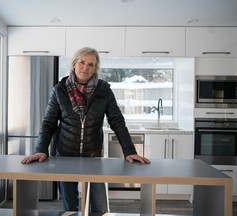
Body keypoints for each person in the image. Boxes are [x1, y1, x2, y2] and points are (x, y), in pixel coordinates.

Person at [21, 47, 151, 213]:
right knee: (71, 209)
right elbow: (49, 123)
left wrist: (129, 150)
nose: (85, 67)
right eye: (82, 62)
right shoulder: (60, 90)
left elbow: (117, 121)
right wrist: (41, 150)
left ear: (95, 68)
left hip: (93, 157)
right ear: (74, 63)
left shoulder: (103, 90)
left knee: (100, 208)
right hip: (65, 157)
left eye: (91, 64)